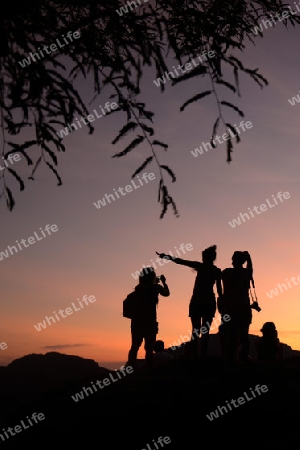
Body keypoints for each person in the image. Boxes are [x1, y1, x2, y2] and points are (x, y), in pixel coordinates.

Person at [156, 245, 222, 358]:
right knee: (204, 331)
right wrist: (222, 301)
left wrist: (165, 256)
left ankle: (196, 357)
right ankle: (202, 357)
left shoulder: (200, 266)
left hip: (197, 301)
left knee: (195, 331)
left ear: (205, 257)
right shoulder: (216, 271)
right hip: (209, 302)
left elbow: (180, 261)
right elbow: (220, 290)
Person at [126, 268, 170, 369]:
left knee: (134, 347)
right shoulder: (156, 288)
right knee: (149, 348)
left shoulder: (137, 289)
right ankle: (149, 368)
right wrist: (164, 282)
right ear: (152, 277)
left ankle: (130, 368)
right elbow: (167, 293)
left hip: (136, 322)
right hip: (150, 322)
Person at [220, 251, 253, 363]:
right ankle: (244, 358)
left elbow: (217, 276)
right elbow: (250, 268)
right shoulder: (246, 273)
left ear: (234, 261)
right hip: (244, 309)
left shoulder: (227, 272)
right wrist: (249, 258)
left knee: (230, 335)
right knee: (244, 335)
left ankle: (230, 360)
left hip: (229, 309)